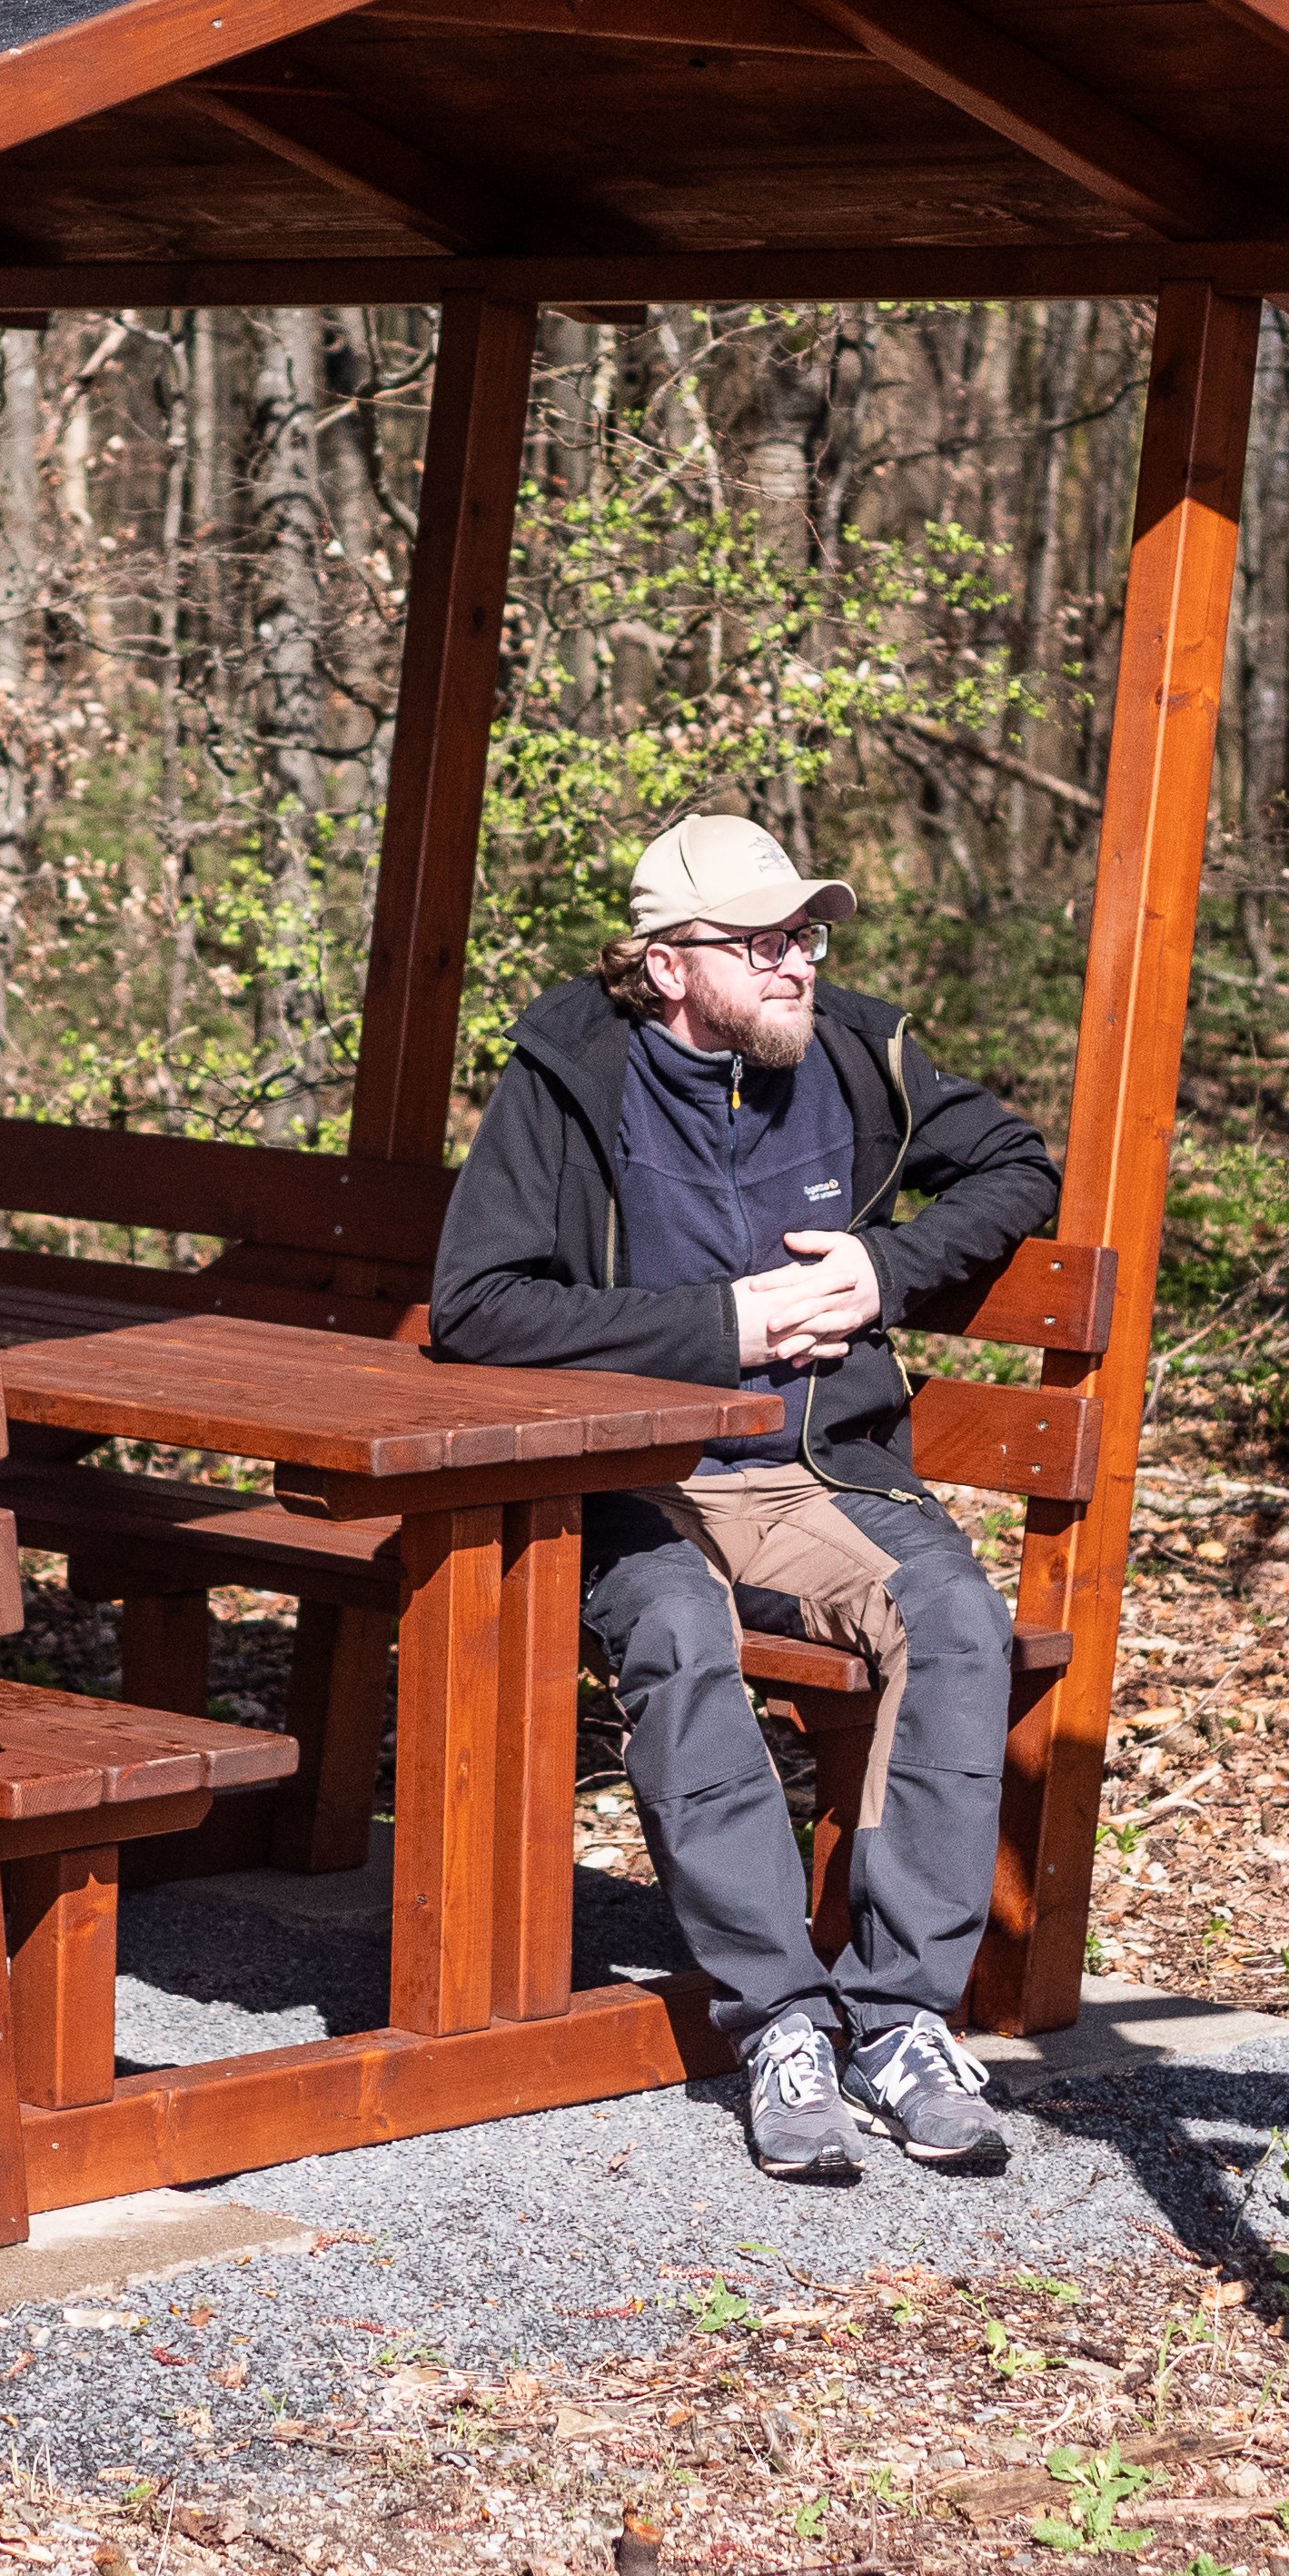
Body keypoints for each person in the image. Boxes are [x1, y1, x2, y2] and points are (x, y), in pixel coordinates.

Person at [427, 812, 1063, 2181]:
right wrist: (719, 1329)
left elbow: (1019, 1165)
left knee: (954, 1622)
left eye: (807, 935)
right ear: (667, 967)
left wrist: (887, 1273)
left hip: (816, 1470)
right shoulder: (570, 1079)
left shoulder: (855, 1055)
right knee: (672, 1634)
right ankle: (779, 2016)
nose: (796, 965)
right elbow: (477, 1306)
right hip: (636, 1481)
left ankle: (896, 2018)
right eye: (762, 942)